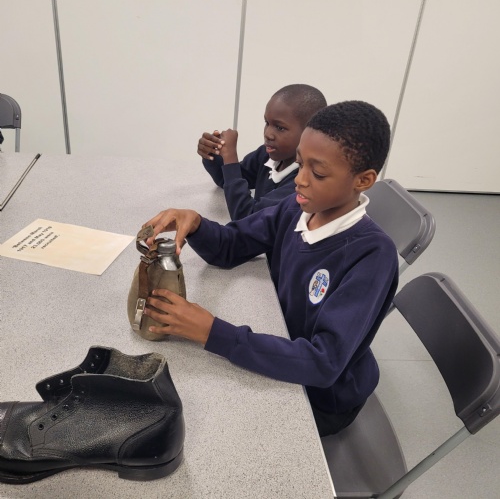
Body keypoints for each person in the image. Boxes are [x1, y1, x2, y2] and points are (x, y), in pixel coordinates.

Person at [143, 101, 399, 436]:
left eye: (318, 173)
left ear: (363, 180)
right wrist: (196, 224)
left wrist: (211, 332)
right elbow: (232, 245)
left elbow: (323, 363)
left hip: (322, 398)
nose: (300, 181)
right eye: (300, 164)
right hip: (280, 345)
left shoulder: (373, 256)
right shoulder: (295, 208)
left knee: (206, 420)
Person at [197, 84, 327, 220]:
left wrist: (230, 158)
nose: (268, 134)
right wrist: (213, 153)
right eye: (267, 123)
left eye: (280, 128)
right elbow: (227, 180)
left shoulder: (301, 183)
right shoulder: (266, 155)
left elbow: (248, 219)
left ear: (310, 133)